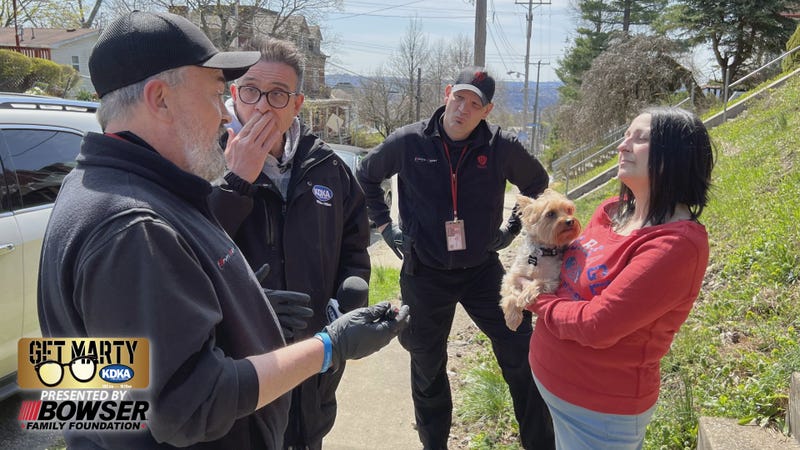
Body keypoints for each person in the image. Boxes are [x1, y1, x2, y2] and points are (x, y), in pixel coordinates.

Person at [37, 11, 408, 449]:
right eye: (219, 95)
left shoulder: (93, 186)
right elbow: (188, 407)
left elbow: (82, 375)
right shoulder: (130, 225)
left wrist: (237, 315)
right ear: (159, 98)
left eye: (275, 95)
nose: (224, 115)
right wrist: (330, 345)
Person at [357, 67, 555, 449]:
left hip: (482, 271)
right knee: (427, 367)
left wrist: (512, 227)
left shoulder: (501, 147)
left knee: (522, 353)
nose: (462, 109)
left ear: (487, 110)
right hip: (424, 272)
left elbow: (537, 184)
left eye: (474, 104)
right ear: (447, 94)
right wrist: (384, 226)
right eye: (458, 98)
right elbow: (366, 175)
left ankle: (540, 444)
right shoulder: (409, 142)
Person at [208, 36, 371, 449]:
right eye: (250, 91)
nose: (262, 105)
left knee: (307, 434)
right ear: (234, 94)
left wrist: (349, 294)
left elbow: (354, 244)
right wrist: (235, 182)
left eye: (278, 94)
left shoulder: (328, 168)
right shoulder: (203, 160)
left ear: (297, 104)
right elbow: (189, 252)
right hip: (244, 365)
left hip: (314, 361)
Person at [527, 106, 715, 449]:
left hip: (600, 410)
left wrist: (534, 297)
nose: (622, 146)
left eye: (640, 138)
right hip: (555, 386)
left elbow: (597, 324)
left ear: (675, 155)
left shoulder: (677, 245)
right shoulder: (611, 211)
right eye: (626, 135)